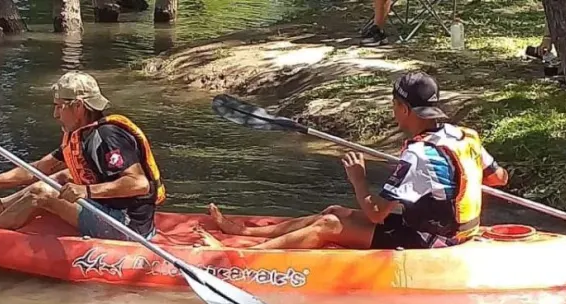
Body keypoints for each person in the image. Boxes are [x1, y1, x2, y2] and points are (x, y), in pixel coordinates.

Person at [201, 71, 510, 251]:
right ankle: (242, 232)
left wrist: (358, 177)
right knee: (334, 210)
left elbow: (376, 214)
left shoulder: (419, 154)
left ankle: (241, 255)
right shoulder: (464, 135)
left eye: (394, 105)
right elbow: (499, 178)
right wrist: (457, 181)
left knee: (330, 225)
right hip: (443, 228)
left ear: (402, 108)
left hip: (432, 241)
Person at [0, 71, 165, 241]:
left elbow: (139, 183)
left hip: (126, 226)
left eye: (59, 106)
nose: (55, 114)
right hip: (105, 210)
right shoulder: (81, 135)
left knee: (41, 194)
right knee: (60, 177)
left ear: (79, 107)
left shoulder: (107, 137)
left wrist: (86, 191)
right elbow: (38, 168)